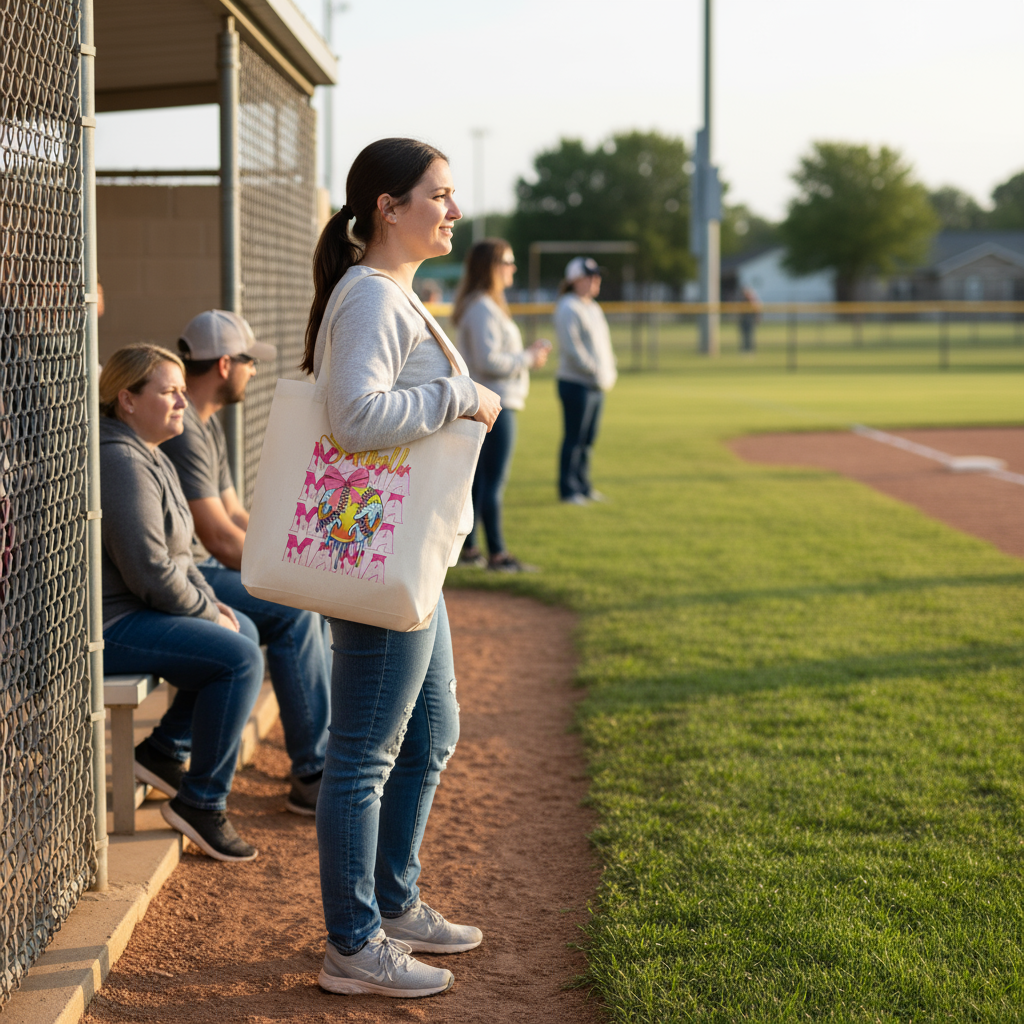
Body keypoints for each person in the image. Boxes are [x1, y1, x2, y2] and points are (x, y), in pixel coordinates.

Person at [303, 138, 501, 999]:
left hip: (412, 553)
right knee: (365, 755)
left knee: (433, 736)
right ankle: (353, 944)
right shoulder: (372, 298)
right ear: (389, 206)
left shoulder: (393, 296)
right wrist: (461, 395)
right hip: (380, 557)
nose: (453, 210)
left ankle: (393, 901)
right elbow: (354, 418)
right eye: (440, 195)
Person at [159, 309, 331, 816]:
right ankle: (313, 771)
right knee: (294, 611)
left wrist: (292, 554)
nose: (254, 371)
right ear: (225, 364)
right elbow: (216, 537)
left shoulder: (204, 422)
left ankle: (168, 744)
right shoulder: (185, 426)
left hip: (198, 569)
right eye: (249, 362)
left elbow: (236, 514)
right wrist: (288, 574)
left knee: (299, 600)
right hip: (182, 573)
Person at [99, 344, 264, 862]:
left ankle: (166, 750)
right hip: (111, 625)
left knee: (245, 633)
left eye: (180, 391)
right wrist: (206, 611)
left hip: (140, 611)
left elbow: (183, 557)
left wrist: (215, 604)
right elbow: (149, 570)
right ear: (127, 400)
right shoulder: (120, 458)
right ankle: (202, 802)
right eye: (168, 392)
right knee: (238, 659)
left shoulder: (150, 450)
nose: (181, 403)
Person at [452, 238, 550, 571]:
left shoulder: (486, 305)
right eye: (507, 262)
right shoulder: (481, 306)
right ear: (491, 268)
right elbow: (488, 360)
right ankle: (497, 555)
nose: (513, 268)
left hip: (491, 400)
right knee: (493, 481)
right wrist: (528, 357)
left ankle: (470, 550)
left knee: (480, 481)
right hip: (493, 402)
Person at [554, 256, 617, 504]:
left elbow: (603, 346)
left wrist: (609, 371)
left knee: (588, 440)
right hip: (575, 383)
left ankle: (583, 485)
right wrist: (596, 371)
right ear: (575, 280)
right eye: (590, 276)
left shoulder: (592, 306)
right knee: (574, 438)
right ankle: (568, 489)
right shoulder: (568, 306)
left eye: (596, 276)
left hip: (595, 384)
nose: (595, 280)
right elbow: (573, 350)